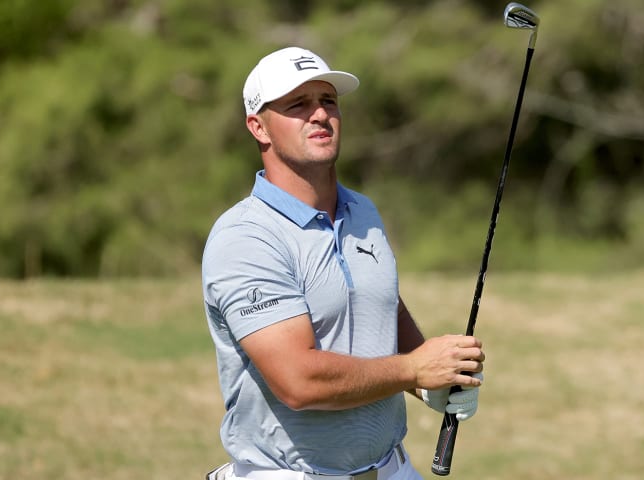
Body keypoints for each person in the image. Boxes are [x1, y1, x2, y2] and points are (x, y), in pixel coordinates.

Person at [201, 46, 486, 480]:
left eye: (328, 101)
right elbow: (299, 382)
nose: (319, 114)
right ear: (258, 127)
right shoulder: (245, 238)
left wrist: (434, 378)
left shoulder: (363, 211)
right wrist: (413, 367)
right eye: (298, 104)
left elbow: (381, 299)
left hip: (392, 468)